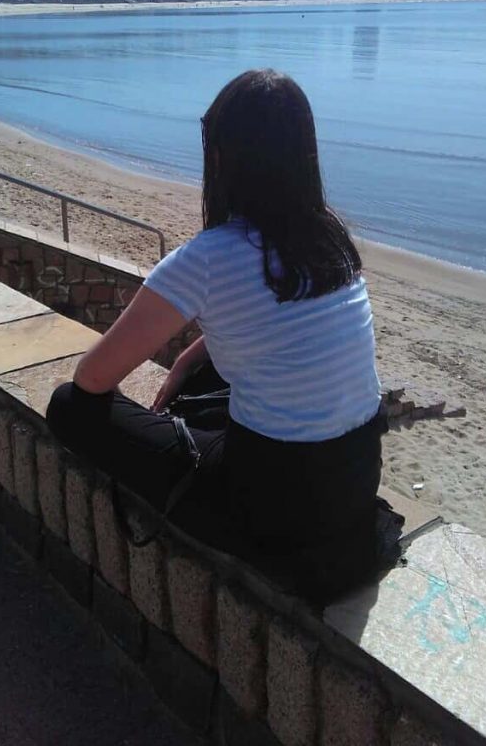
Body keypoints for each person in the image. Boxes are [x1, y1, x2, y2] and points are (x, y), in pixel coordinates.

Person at [46, 69, 387, 602]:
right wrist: (185, 359)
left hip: (270, 506)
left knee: (69, 407)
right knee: (205, 373)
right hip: (353, 483)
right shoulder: (331, 240)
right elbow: (279, 332)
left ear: (224, 157)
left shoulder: (208, 258)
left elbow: (92, 379)